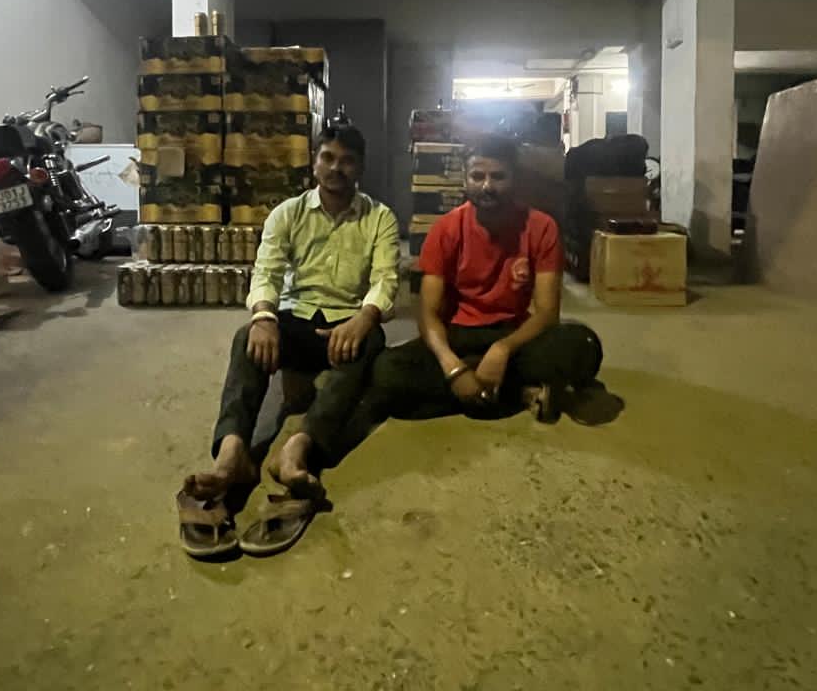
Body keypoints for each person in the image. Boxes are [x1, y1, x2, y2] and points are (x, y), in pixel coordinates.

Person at [177, 124, 399, 559]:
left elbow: (385, 279)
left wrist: (364, 318)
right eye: (327, 158)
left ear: (361, 168)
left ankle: (297, 449)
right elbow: (267, 272)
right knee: (247, 337)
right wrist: (263, 318)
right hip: (296, 319)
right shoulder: (287, 214)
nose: (336, 168)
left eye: (347, 161)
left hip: (345, 323)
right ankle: (232, 455)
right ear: (314, 162)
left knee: (370, 341)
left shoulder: (380, 218)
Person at [339, 135, 602, 447]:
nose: (487, 186)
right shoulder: (446, 229)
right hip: (458, 335)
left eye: (498, 176)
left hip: (512, 334)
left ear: (514, 179)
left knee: (583, 345)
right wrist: (452, 368)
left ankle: (476, 390)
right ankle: (517, 393)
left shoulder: (542, 227)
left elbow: (547, 313)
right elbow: (428, 314)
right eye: (478, 176)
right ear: (465, 180)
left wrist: (502, 349)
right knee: (386, 372)